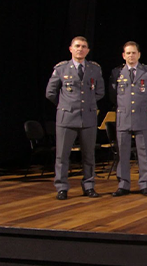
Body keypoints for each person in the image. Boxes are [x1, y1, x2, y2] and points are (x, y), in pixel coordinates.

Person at [45, 36, 105, 200]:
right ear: (71, 49)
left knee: (88, 155)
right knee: (63, 155)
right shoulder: (62, 68)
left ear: (88, 50)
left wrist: (87, 104)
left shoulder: (94, 69)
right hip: (67, 117)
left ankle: (89, 186)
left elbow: (100, 91)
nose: (80, 49)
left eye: (84, 46)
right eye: (77, 46)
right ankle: (62, 187)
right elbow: (50, 92)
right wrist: (66, 103)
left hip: (88, 117)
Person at [110, 41, 147, 197]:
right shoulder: (117, 73)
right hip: (123, 117)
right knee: (122, 152)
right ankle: (123, 185)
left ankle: (144, 184)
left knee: (144, 152)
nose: (131, 55)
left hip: (141, 116)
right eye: (128, 53)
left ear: (139, 54)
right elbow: (113, 96)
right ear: (123, 55)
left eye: (134, 53)